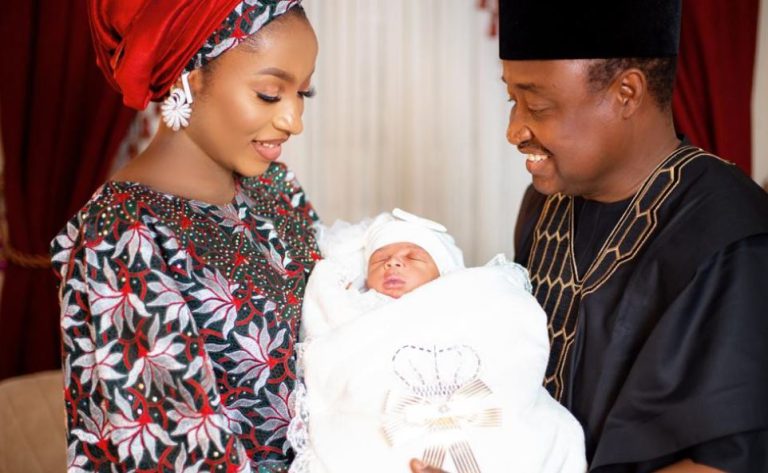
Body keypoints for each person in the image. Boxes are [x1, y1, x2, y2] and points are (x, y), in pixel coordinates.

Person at [496, 0, 768, 472]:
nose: (515, 129)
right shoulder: (541, 204)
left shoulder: (731, 233)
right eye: (512, 100)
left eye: (537, 104)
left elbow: (725, 463)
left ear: (626, 93)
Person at [50, 1, 321, 471]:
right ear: (190, 76)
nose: (293, 121)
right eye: (270, 94)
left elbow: (343, 324)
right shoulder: (119, 236)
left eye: (304, 94)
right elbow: (177, 454)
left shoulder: (278, 190)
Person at [290, 210, 586, 473]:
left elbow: (510, 343)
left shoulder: (465, 301)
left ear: (443, 272)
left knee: (538, 436)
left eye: (412, 257)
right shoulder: (361, 309)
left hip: (471, 400)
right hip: (385, 409)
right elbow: (335, 342)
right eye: (380, 260)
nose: (393, 262)